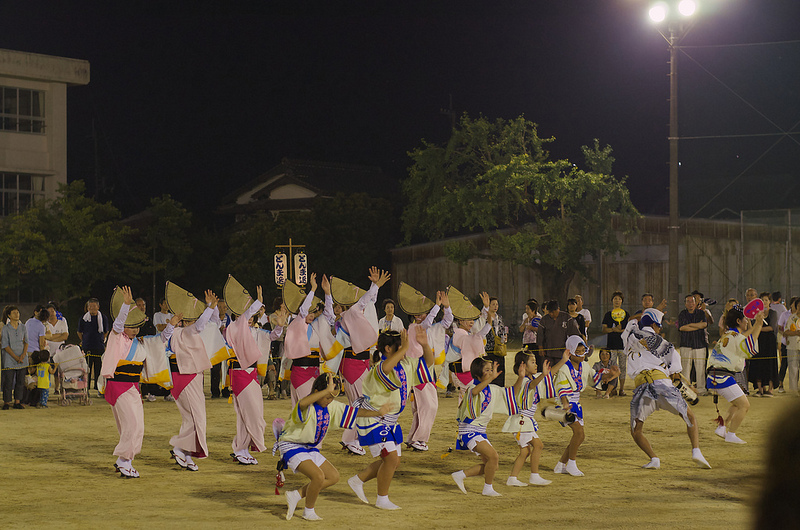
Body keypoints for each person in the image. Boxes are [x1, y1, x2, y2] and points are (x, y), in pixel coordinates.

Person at [277, 373, 392, 521]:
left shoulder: (331, 406)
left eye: (333, 397)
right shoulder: (307, 406)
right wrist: (325, 391)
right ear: (318, 392)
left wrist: (377, 412)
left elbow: (354, 412)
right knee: (318, 476)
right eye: (328, 396)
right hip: (291, 445)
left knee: (333, 477)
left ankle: (296, 495)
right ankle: (308, 511)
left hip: (308, 448)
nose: (330, 400)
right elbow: (302, 403)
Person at [347, 328, 434, 511]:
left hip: (391, 421)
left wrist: (424, 344)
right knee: (391, 459)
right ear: (388, 348)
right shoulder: (379, 367)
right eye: (399, 346)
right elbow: (386, 369)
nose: (405, 349)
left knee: (393, 462)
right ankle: (381, 499)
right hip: (374, 419)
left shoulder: (406, 365)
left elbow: (428, 362)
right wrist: (406, 347)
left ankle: (358, 480)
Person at [623, 308, 711, 469]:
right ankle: (696, 451)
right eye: (659, 325)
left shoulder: (629, 336)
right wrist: (682, 380)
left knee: (636, 430)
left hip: (642, 388)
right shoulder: (664, 344)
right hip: (662, 383)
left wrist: (644, 314)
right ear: (655, 325)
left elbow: (631, 320)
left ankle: (654, 459)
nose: (660, 328)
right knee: (690, 417)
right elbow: (675, 371)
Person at [101, 286, 170, 478]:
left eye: (137, 326)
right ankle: (123, 461)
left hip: (132, 388)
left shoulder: (139, 342)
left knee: (138, 425)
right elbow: (118, 324)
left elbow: (160, 340)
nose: (134, 330)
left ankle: (125, 460)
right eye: (131, 326)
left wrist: (171, 324)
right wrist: (125, 305)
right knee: (131, 424)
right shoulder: (117, 338)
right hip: (118, 386)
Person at [161, 288, 221, 472]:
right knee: (195, 417)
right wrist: (209, 307)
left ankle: (187, 453)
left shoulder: (185, 332)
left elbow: (209, 323)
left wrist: (211, 307)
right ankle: (179, 448)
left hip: (191, 377)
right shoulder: (184, 331)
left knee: (193, 417)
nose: (194, 321)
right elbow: (201, 324)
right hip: (185, 377)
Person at [450, 357, 524, 496]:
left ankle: (461, 475)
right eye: (488, 370)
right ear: (478, 373)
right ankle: (487, 488)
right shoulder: (472, 387)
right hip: (469, 430)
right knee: (494, 457)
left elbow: (511, 393)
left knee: (492, 465)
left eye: (492, 370)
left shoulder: (492, 389)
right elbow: (475, 392)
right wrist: (491, 378)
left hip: (480, 431)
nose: (491, 373)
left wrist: (520, 377)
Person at [552, 336, 619, 476]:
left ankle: (560, 465)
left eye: (584, 351)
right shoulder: (564, 368)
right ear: (570, 352)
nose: (583, 354)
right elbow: (561, 389)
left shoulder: (585, 366)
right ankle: (571, 463)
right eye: (579, 351)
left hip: (575, 404)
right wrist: (565, 403)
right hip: (563, 405)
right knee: (579, 433)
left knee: (579, 436)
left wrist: (612, 376)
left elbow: (596, 380)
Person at [504, 349, 569, 487]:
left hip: (524, 421)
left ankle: (513, 478)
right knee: (538, 445)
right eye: (532, 362)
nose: (536, 364)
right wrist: (543, 376)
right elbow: (531, 386)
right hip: (521, 421)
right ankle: (534, 476)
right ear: (523, 366)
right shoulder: (524, 381)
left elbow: (550, 374)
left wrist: (563, 360)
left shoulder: (533, 378)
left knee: (525, 452)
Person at [707, 304, 765, 444]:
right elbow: (750, 349)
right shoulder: (735, 337)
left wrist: (757, 325)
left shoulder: (729, 334)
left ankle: (722, 426)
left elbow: (745, 339)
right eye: (745, 319)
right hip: (723, 377)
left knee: (738, 402)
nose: (747, 321)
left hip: (715, 376)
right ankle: (731, 434)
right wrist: (758, 324)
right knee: (744, 405)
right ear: (738, 321)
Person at [406, 289, 451, 451]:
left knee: (421, 407)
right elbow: (428, 322)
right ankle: (419, 439)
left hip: (424, 368)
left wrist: (446, 307)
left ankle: (413, 437)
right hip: (419, 369)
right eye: (422, 313)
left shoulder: (423, 328)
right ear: (416, 315)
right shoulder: (416, 328)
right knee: (429, 406)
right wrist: (437, 306)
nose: (425, 315)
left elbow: (447, 321)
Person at [78, 297, 110, 394]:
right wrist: (83, 340)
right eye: (90, 307)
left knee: (99, 369)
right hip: (87, 347)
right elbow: (79, 332)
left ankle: (99, 389)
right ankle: (85, 389)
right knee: (86, 369)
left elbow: (106, 331)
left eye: (94, 306)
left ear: (98, 307)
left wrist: (101, 339)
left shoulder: (103, 317)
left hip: (99, 347)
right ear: (87, 308)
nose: (92, 308)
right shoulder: (83, 318)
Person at [678, 294, 708, 396]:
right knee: (685, 367)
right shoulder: (682, 314)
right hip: (685, 343)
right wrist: (697, 326)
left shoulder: (700, 313)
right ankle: (685, 389)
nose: (690, 304)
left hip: (699, 343)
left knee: (700, 367)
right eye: (688, 301)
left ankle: (701, 389)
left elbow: (704, 324)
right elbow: (682, 328)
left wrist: (689, 325)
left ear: (696, 303)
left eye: (692, 301)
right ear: (685, 303)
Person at [749, 292, 778, 397]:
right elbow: (752, 326)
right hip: (758, 341)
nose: (764, 302)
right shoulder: (756, 314)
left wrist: (759, 328)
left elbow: (772, 327)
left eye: (766, 300)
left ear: (769, 301)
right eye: (762, 300)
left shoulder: (773, 313)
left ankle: (770, 389)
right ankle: (760, 389)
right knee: (758, 363)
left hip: (769, 342)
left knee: (769, 363)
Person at [601, 291, 629, 396]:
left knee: (622, 367)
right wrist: (614, 329)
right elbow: (604, 329)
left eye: (619, 299)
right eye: (615, 299)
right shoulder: (608, 315)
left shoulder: (626, 315)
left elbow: (628, 329)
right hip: (611, 345)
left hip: (622, 346)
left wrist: (619, 331)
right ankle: (612, 388)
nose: (617, 301)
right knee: (612, 367)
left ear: (622, 301)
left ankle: (621, 389)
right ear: (612, 301)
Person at [538, 300, 580, 367]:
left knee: (562, 371)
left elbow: (574, 334)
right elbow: (540, 335)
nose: (551, 314)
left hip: (562, 352)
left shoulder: (566, 318)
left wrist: (574, 347)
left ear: (558, 309)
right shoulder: (544, 320)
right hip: (548, 352)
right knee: (548, 372)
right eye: (550, 312)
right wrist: (540, 348)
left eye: (553, 312)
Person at [1, 305, 28, 409]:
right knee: (8, 381)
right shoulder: (6, 329)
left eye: (17, 312)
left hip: (22, 359)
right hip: (9, 359)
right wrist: (16, 357)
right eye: (14, 313)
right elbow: (5, 345)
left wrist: (23, 355)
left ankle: (17, 401)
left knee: (20, 381)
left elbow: (26, 342)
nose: (17, 314)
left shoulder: (23, 327)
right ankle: (7, 402)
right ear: (9, 315)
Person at [480, 293, 507, 386]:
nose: (496, 306)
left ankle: (500, 390)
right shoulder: (484, 316)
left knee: (500, 371)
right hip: (488, 348)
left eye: (497, 304)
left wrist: (504, 337)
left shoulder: (499, 318)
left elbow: (503, 329)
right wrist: (485, 306)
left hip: (498, 349)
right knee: (488, 372)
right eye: (493, 304)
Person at [776, 296, 796, 393]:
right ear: (791, 304)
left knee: (796, 365)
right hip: (786, 342)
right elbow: (780, 326)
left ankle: (795, 386)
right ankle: (780, 384)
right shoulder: (785, 314)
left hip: (797, 344)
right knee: (784, 364)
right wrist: (785, 333)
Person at [781, 298, 800, 395]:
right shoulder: (791, 318)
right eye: (799, 306)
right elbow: (786, 332)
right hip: (792, 346)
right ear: (796, 306)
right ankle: (794, 390)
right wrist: (795, 333)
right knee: (793, 368)